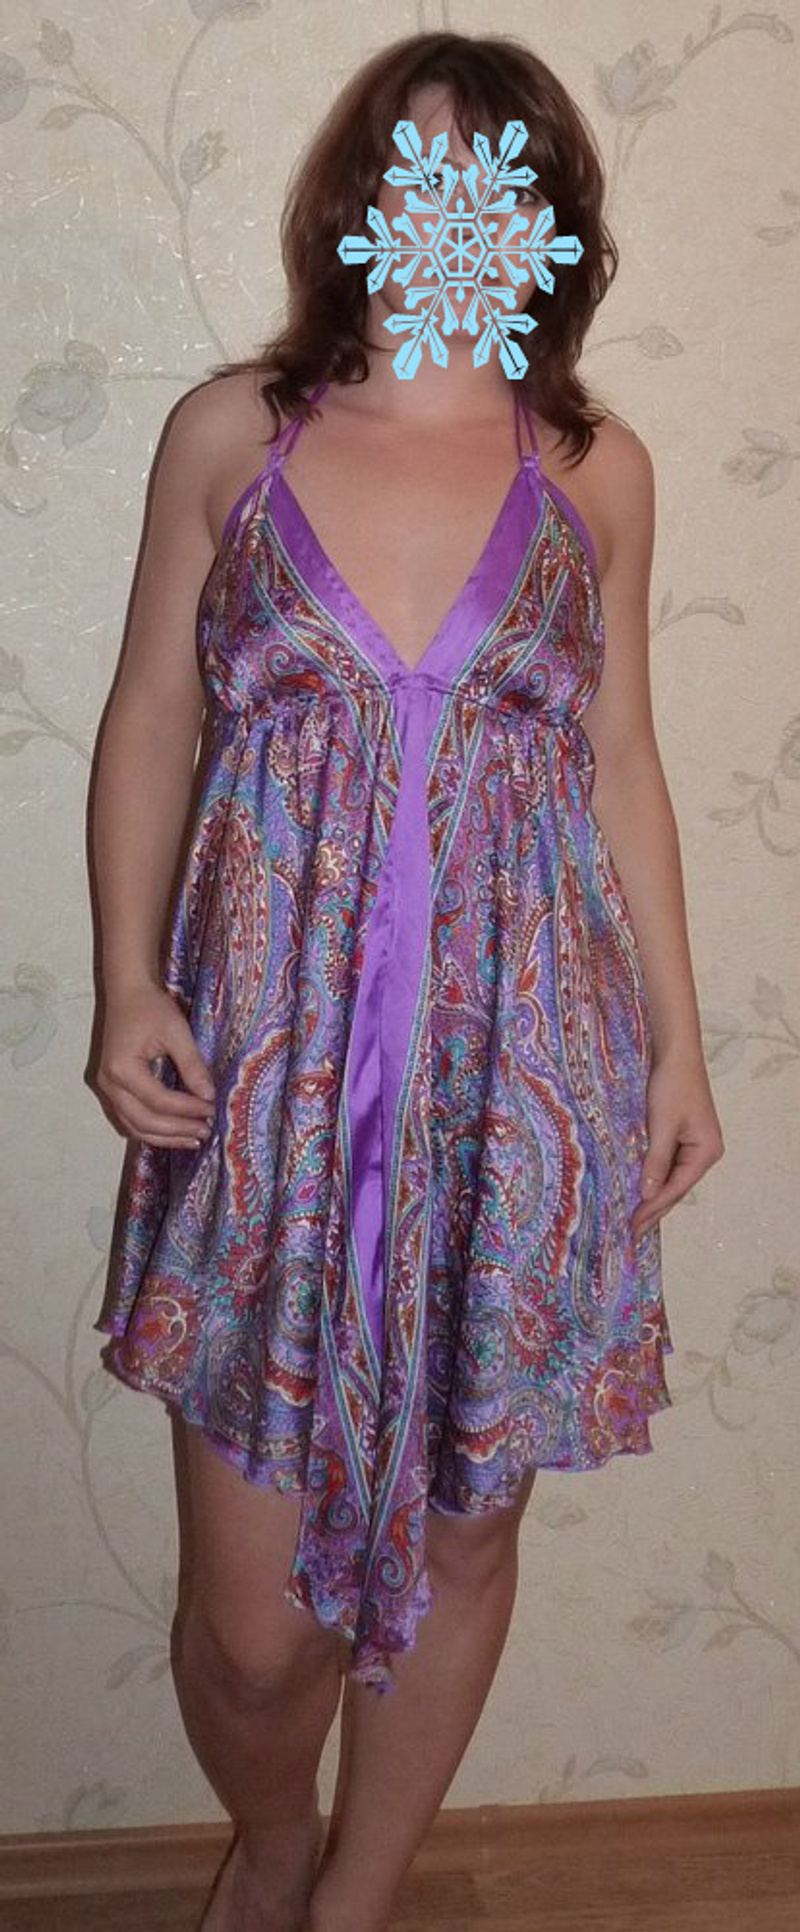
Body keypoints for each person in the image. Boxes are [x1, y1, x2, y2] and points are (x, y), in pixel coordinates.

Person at [88, 27, 724, 1932]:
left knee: (466, 1527)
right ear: (358, 201)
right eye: (414, 174)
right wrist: (124, 979)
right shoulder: (235, 435)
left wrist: (678, 1048)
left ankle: (357, 1899)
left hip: (521, 1069)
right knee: (252, 1629)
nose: (447, 213)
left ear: (545, 218)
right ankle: (274, 1842)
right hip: (265, 1076)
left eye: (489, 181)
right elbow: (150, 715)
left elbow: (623, 760)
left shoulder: (595, 470)